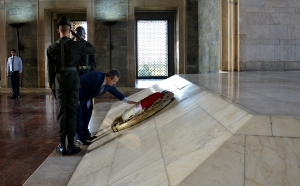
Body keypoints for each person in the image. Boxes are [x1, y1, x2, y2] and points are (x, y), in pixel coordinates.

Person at [47, 16, 96, 155]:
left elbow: (50, 72)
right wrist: (78, 37)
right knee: (72, 112)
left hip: (59, 83)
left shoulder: (51, 48)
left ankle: (62, 146)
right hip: (74, 82)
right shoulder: (76, 45)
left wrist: (54, 89)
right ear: (69, 30)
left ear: (58, 30)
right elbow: (92, 50)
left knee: (62, 113)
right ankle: (71, 145)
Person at [76, 70, 137, 145]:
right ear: (108, 78)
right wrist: (76, 98)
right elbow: (78, 83)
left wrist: (127, 100)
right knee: (78, 117)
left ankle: (85, 134)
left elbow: (114, 91)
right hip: (78, 99)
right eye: (114, 81)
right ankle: (80, 138)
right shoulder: (94, 76)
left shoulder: (108, 84)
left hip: (87, 99)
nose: (115, 83)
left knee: (86, 116)